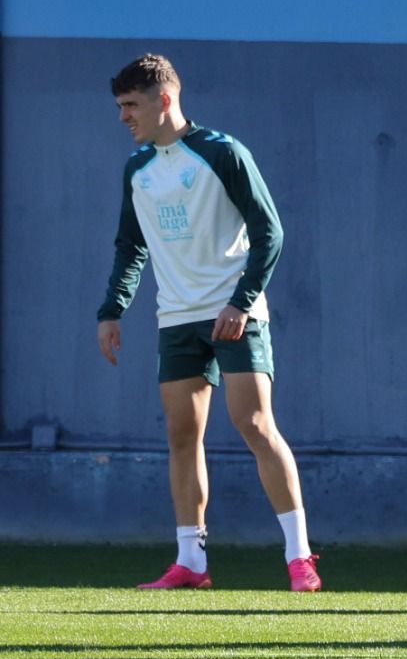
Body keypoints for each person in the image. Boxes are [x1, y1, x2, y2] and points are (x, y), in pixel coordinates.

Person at [96, 54, 321, 591]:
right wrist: (112, 310)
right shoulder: (138, 169)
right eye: (120, 107)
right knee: (181, 435)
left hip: (234, 314)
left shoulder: (223, 153)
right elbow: (131, 246)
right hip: (176, 319)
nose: (123, 117)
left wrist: (241, 302)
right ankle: (191, 563)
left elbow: (271, 232)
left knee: (255, 425)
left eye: (130, 106)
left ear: (164, 99)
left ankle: (300, 558)